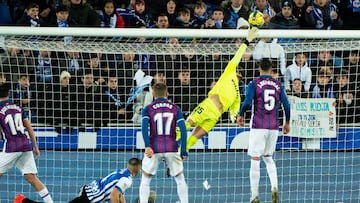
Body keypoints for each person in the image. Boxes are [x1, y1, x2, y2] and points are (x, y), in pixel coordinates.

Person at [185, 27, 258, 150]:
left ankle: (182, 150)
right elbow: (237, 57)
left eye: (241, 71)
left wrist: (236, 118)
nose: (239, 70)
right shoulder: (229, 71)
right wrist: (247, 41)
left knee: (198, 135)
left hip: (215, 115)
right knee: (187, 124)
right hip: (208, 105)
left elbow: (234, 111)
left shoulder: (237, 94)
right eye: (238, 69)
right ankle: (168, 143)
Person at [237, 59, 290, 203]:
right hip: (273, 126)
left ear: (259, 68)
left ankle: (254, 196)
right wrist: (287, 122)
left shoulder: (254, 83)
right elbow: (286, 105)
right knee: (268, 157)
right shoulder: (278, 85)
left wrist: (241, 115)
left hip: (258, 125)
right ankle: (274, 187)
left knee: (255, 159)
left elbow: (247, 102)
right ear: (272, 70)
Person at [0, 83, 54, 203]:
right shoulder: (18, 107)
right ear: (8, 94)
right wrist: (35, 146)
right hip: (25, 145)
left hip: (11, 147)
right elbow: (29, 128)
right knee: (31, 177)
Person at [139, 83, 188, 203]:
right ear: (167, 93)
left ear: (153, 94)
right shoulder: (175, 108)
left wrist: (147, 146)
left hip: (154, 148)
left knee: (145, 180)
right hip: (172, 147)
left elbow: (144, 128)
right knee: (180, 179)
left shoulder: (148, 109)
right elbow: (183, 129)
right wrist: (183, 150)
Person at [14, 158, 142, 203]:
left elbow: (120, 195)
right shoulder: (128, 179)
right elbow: (115, 194)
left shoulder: (121, 171)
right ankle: (22, 201)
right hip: (90, 198)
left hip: (89, 190)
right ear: (137, 170)